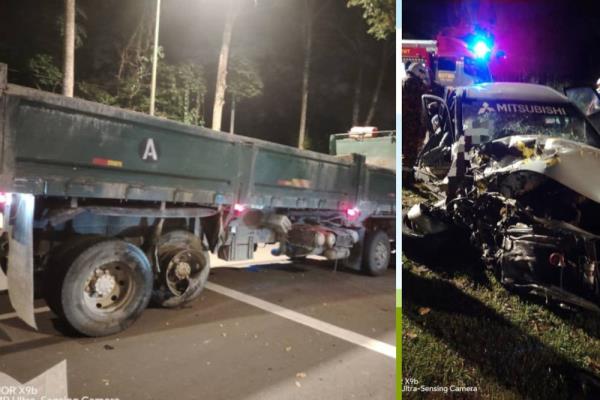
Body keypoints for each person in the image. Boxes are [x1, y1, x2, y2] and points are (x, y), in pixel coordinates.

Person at [402, 62, 429, 186]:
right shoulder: (412, 83)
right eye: (423, 73)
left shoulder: (405, 81)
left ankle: (408, 176)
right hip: (410, 123)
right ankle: (406, 179)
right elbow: (424, 92)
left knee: (408, 151)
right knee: (410, 152)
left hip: (407, 122)